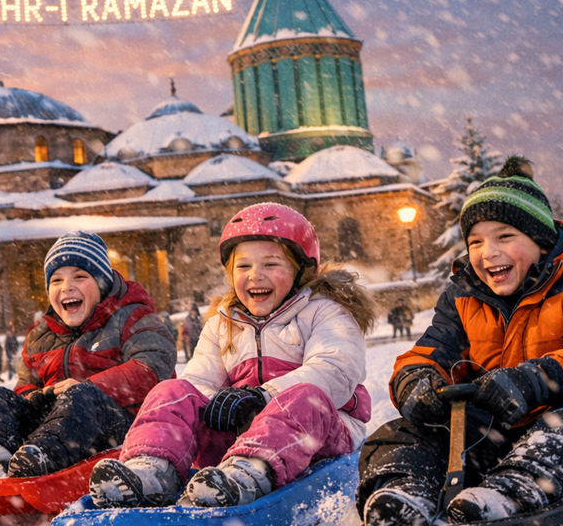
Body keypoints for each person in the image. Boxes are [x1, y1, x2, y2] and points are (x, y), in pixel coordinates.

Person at [357, 157, 563, 525]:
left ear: (541, 243)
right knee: (405, 431)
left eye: (505, 237)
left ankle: (516, 486)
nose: (488, 252)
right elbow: (432, 351)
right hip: (499, 425)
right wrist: (415, 381)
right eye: (476, 241)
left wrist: (534, 380)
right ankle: (406, 490)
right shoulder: (462, 299)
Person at [89, 203, 374, 509]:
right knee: (172, 391)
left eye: (271, 264)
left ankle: (247, 476)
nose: (256, 276)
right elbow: (199, 383)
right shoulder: (221, 324)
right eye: (244, 266)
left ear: (301, 270)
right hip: (240, 437)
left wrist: (262, 397)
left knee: (305, 396)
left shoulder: (325, 312)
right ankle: (151, 471)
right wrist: (221, 405)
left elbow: (333, 371)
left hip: (322, 434)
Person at [0, 230, 175, 484]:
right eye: (56, 280)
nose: (67, 287)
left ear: (102, 283)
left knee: (82, 397)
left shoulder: (133, 317)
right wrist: (40, 398)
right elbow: (25, 387)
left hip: (117, 426)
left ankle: (42, 457)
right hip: (54, 427)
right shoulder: (40, 336)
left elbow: (152, 367)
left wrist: (91, 387)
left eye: (80, 276)